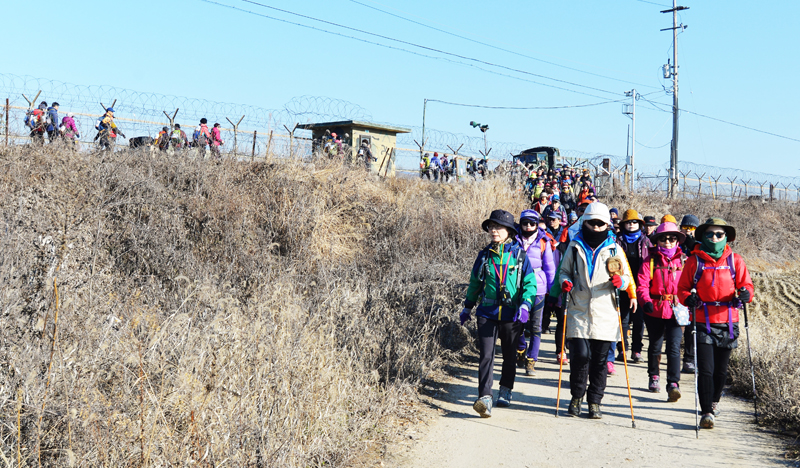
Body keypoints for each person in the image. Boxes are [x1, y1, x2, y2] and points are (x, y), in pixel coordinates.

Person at [678, 218, 754, 429]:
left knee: (721, 371)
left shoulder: (735, 261)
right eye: (710, 234)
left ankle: (714, 401)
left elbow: (746, 285)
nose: (714, 238)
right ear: (702, 237)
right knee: (706, 370)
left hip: (728, 322)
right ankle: (706, 412)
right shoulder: (694, 261)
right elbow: (682, 288)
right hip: (702, 321)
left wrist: (746, 294)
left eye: (719, 235)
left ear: (726, 237)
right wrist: (687, 299)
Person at [559, 202, 633, 419]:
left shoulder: (614, 249)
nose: (597, 227)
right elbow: (564, 271)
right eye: (592, 223)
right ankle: (576, 397)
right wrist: (565, 282)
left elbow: (626, 276)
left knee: (600, 360)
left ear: (607, 225)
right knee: (580, 356)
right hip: (578, 308)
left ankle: (594, 402)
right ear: (585, 222)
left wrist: (621, 282)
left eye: (601, 224)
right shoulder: (574, 245)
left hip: (605, 311)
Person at [461, 210, 537, 417]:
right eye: (491, 227)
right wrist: (468, 307)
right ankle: (485, 398)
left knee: (510, 355)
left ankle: (506, 389)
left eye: (499, 227)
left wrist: (525, 305)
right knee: (486, 355)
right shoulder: (484, 256)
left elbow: (530, 283)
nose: (494, 230)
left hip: (513, 313)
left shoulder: (520, 256)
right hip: (487, 311)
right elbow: (475, 283)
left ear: (509, 232)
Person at [637, 222, 686, 400]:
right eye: (663, 239)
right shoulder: (649, 261)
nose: (668, 242)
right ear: (657, 241)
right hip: (655, 309)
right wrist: (645, 301)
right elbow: (642, 285)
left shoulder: (684, 261)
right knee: (655, 346)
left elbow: (689, 285)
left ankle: (673, 383)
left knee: (674, 348)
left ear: (677, 240)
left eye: (672, 238)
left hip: (677, 310)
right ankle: (654, 376)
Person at [515, 210, 556, 376]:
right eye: (525, 223)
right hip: (517, 288)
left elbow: (550, 268)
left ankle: (531, 360)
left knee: (536, 326)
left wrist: (552, 292)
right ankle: (520, 349)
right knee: (517, 323)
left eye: (532, 223)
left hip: (538, 288)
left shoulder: (544, 241)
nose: (529, 226)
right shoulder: (514, 239)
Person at [616, 210, 648, 364]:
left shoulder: (646, 241)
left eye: (634, 222)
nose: (631, 225)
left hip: (641, 285)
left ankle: (637, 350)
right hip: (622, 285)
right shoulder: (618, 240)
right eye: (628, 222)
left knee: (638, 319)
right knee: (622, 319)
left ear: (640, 224)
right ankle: (622, 349)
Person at [679, 213, 700, 373]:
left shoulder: (698, 245)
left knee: (692, 324)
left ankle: (689, 359)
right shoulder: (676, 241)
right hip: (677, 284)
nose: (688, 231)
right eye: (685, 227)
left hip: (694, 286)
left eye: (691, 228)